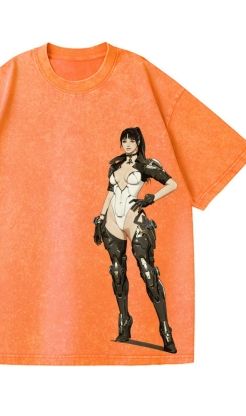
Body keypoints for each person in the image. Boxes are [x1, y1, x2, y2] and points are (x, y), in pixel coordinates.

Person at [93, 127, 178, 353]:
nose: (128, 144)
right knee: (117, 271)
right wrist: (100, 218)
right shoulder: (115, 166)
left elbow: (172, 184)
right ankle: (125, 321)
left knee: (148, 272)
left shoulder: (146, 165)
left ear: (138, 142)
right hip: (112, 219)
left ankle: (165, 330)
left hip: (133, 218)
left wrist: (151, 199)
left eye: (132, 140)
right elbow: (110, 193)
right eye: (124, 140)